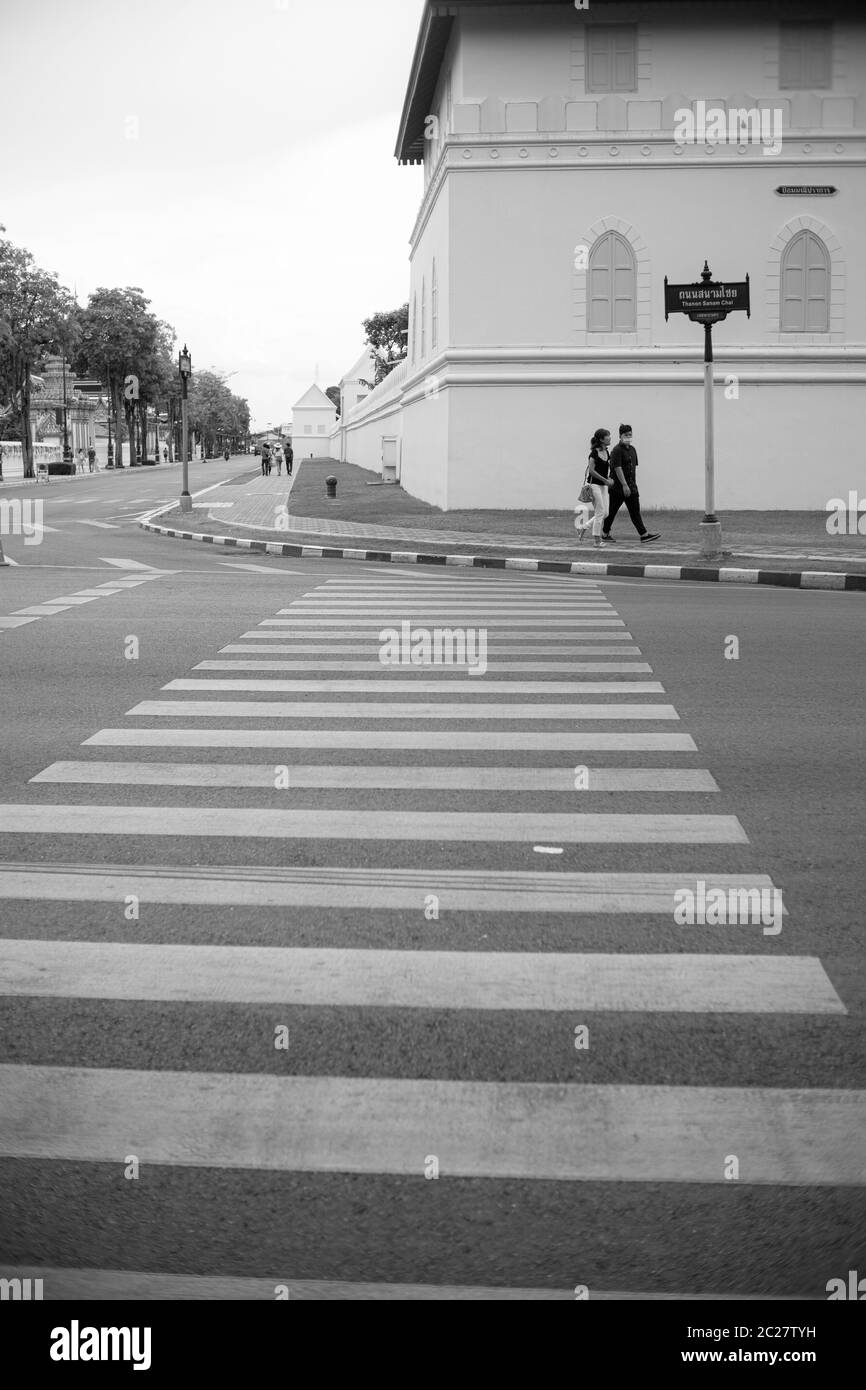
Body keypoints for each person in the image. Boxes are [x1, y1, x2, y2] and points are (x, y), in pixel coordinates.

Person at [603, 424, 661, 544]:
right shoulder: (616, 450)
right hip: (618, 488)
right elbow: (617, 468)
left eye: (630, 435)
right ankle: (604, 533)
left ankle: (644, 535)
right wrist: (624, 485)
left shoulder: (633, 449)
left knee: (635, 511)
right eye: (626, 435)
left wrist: (631, 485)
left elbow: (632, 468)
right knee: (612, 511)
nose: (628, 437)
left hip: (631, 487)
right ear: (620, 436)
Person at [585, 428, 614, 548]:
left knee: (605, 513)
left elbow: (604, 470)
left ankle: (584, 527)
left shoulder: (607, 452)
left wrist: (608, 479)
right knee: (600, 512)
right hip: (594, 485)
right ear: (601, 439)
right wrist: (605, 480)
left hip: (603, 485)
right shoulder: (594, 453)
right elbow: (591, 471)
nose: (610, 438)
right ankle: (597, 541)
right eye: (608, 436)